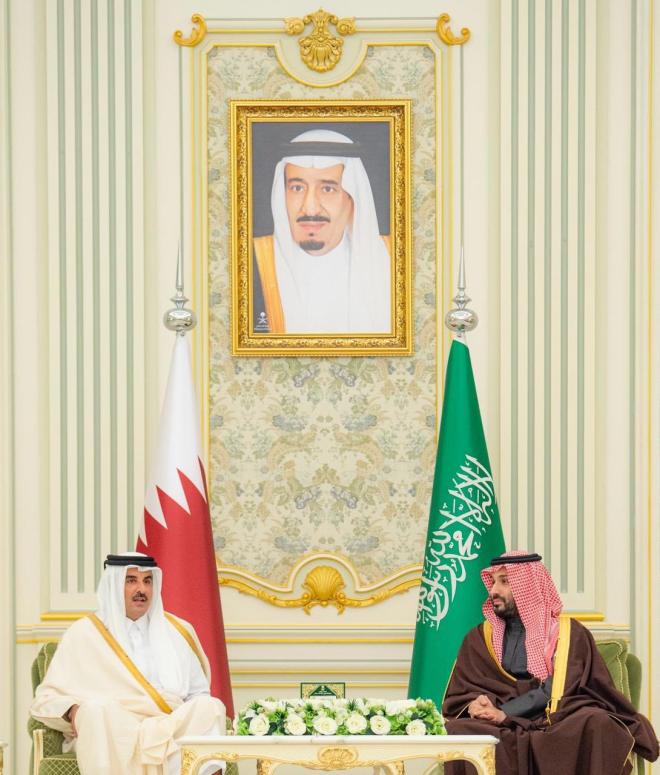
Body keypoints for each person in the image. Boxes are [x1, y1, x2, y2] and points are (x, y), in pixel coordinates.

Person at [442, 550, 659, 775]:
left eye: (504, 581)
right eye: (493, 581)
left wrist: (505, 712)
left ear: (528, 586)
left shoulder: (569, 633)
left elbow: (563, 686)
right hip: (498, 722)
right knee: (459, 729)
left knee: (596, 721)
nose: (494, 591)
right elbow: (466, 688)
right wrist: (476, 705)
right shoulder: (479, 637)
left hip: (555, 716)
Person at [30, 552, 226, 775]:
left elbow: (199, 693)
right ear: (113, 585)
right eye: (131, 580)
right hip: (113, 730)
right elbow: (47, 698)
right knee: (95, 710)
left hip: (168, 727)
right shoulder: (85, 632)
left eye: (147, 581)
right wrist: (72, 710)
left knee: (210, 707)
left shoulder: (177, 631)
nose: (141, 589)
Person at [252, 128, 392, 335]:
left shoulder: (394, 260)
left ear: (352, 198)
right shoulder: (251, 263)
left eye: (327, 189)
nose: (310, 208)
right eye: (297, 188)